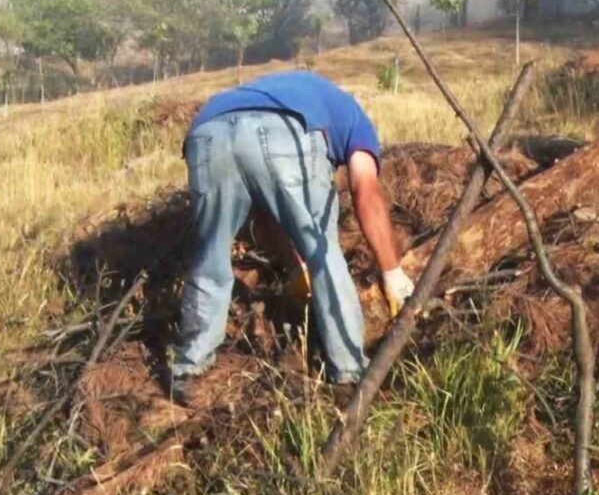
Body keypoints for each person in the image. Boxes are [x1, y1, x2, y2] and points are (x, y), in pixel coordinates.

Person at [167, 70, 414, 404]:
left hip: (207, 132)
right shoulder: (356, 121)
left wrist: (296, 269)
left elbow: (265, 210)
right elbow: (365, 189)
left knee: (210, 256)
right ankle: (348, 371)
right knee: (323, 252)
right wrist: (392, 272)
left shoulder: (290, 90)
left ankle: (189, 370)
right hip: (283, 130)